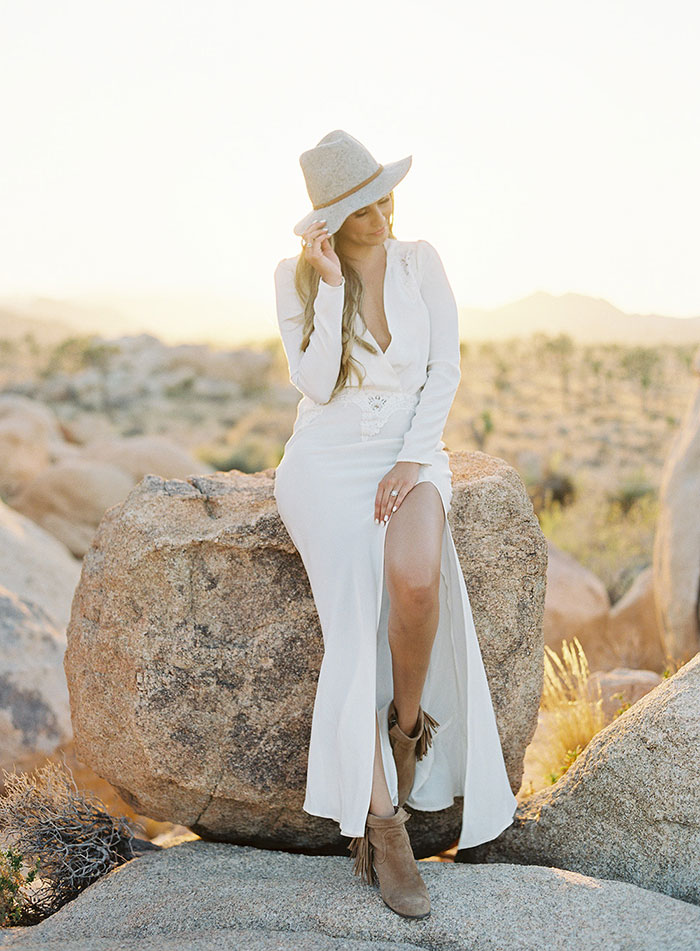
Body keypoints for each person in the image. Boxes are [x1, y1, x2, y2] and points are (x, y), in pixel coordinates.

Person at [273, 130, 517, 920]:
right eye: (360, 204)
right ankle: (385, 827)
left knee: (415, 580)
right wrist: (333, 283)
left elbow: (444, 367)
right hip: (325, 461)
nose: (380, 212)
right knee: (351, 623)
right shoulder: (296, 277)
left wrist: (415, 459)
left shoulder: (422, 261)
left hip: (408, 452)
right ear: (330, 219)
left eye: (382, 194)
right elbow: (314, 380)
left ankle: (406, 729)